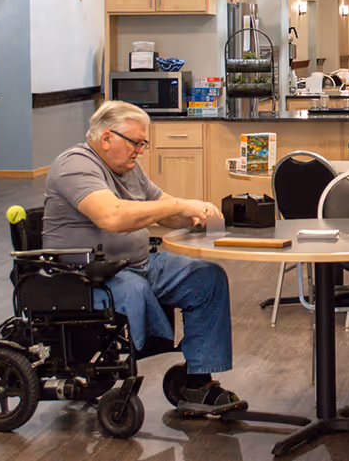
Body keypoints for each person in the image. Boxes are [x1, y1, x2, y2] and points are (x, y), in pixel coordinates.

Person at [42, 100, 245, 415]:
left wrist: (195, 213)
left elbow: (162, 208)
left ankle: (198, 384)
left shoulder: (128, 169)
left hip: (137, 265)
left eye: (143, 143)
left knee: (207, 277)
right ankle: (127, 371)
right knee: (135, 291)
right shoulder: (75, 166)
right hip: (87, 276)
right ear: (106, 138)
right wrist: (178, 205)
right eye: (135, 142)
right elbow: (111, 216)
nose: (141, 150)